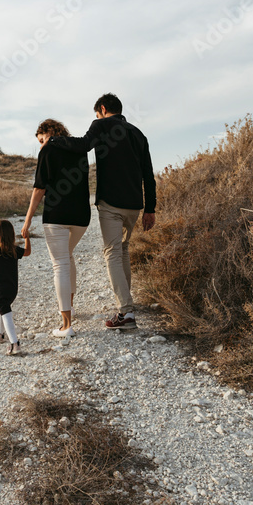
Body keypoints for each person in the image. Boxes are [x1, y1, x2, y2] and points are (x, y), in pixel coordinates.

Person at [50, 93, 156, 330]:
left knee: (112, 253)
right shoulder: (139, 134)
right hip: (135, 205)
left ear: (103, 109)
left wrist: (55, 141)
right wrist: (151, 208)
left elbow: (82, 145)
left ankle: (126, 313)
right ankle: (126, 307)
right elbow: (148, 176)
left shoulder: (101, 124)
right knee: (123, 251)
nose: (96, 117)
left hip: (111, 203)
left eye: (96, 113)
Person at [20, 119, 90, 338]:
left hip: (57, 214)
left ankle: (66, 325)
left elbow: (39, 188)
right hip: (81, 215)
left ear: (47, 133)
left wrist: (28, 219)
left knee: (60, 264)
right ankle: (70, 306)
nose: (41, 145)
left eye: (41, 140)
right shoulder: (80, 147)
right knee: (67, 257)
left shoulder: (48, 150)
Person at [0, 219, 30, 355]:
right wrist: (27, 238)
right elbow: (27, 252)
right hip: (13, 289)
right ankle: (0, 334)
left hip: (0, 289)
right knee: (1, 308)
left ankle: (15, 344)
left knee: (4, 310)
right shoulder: (14, 251)